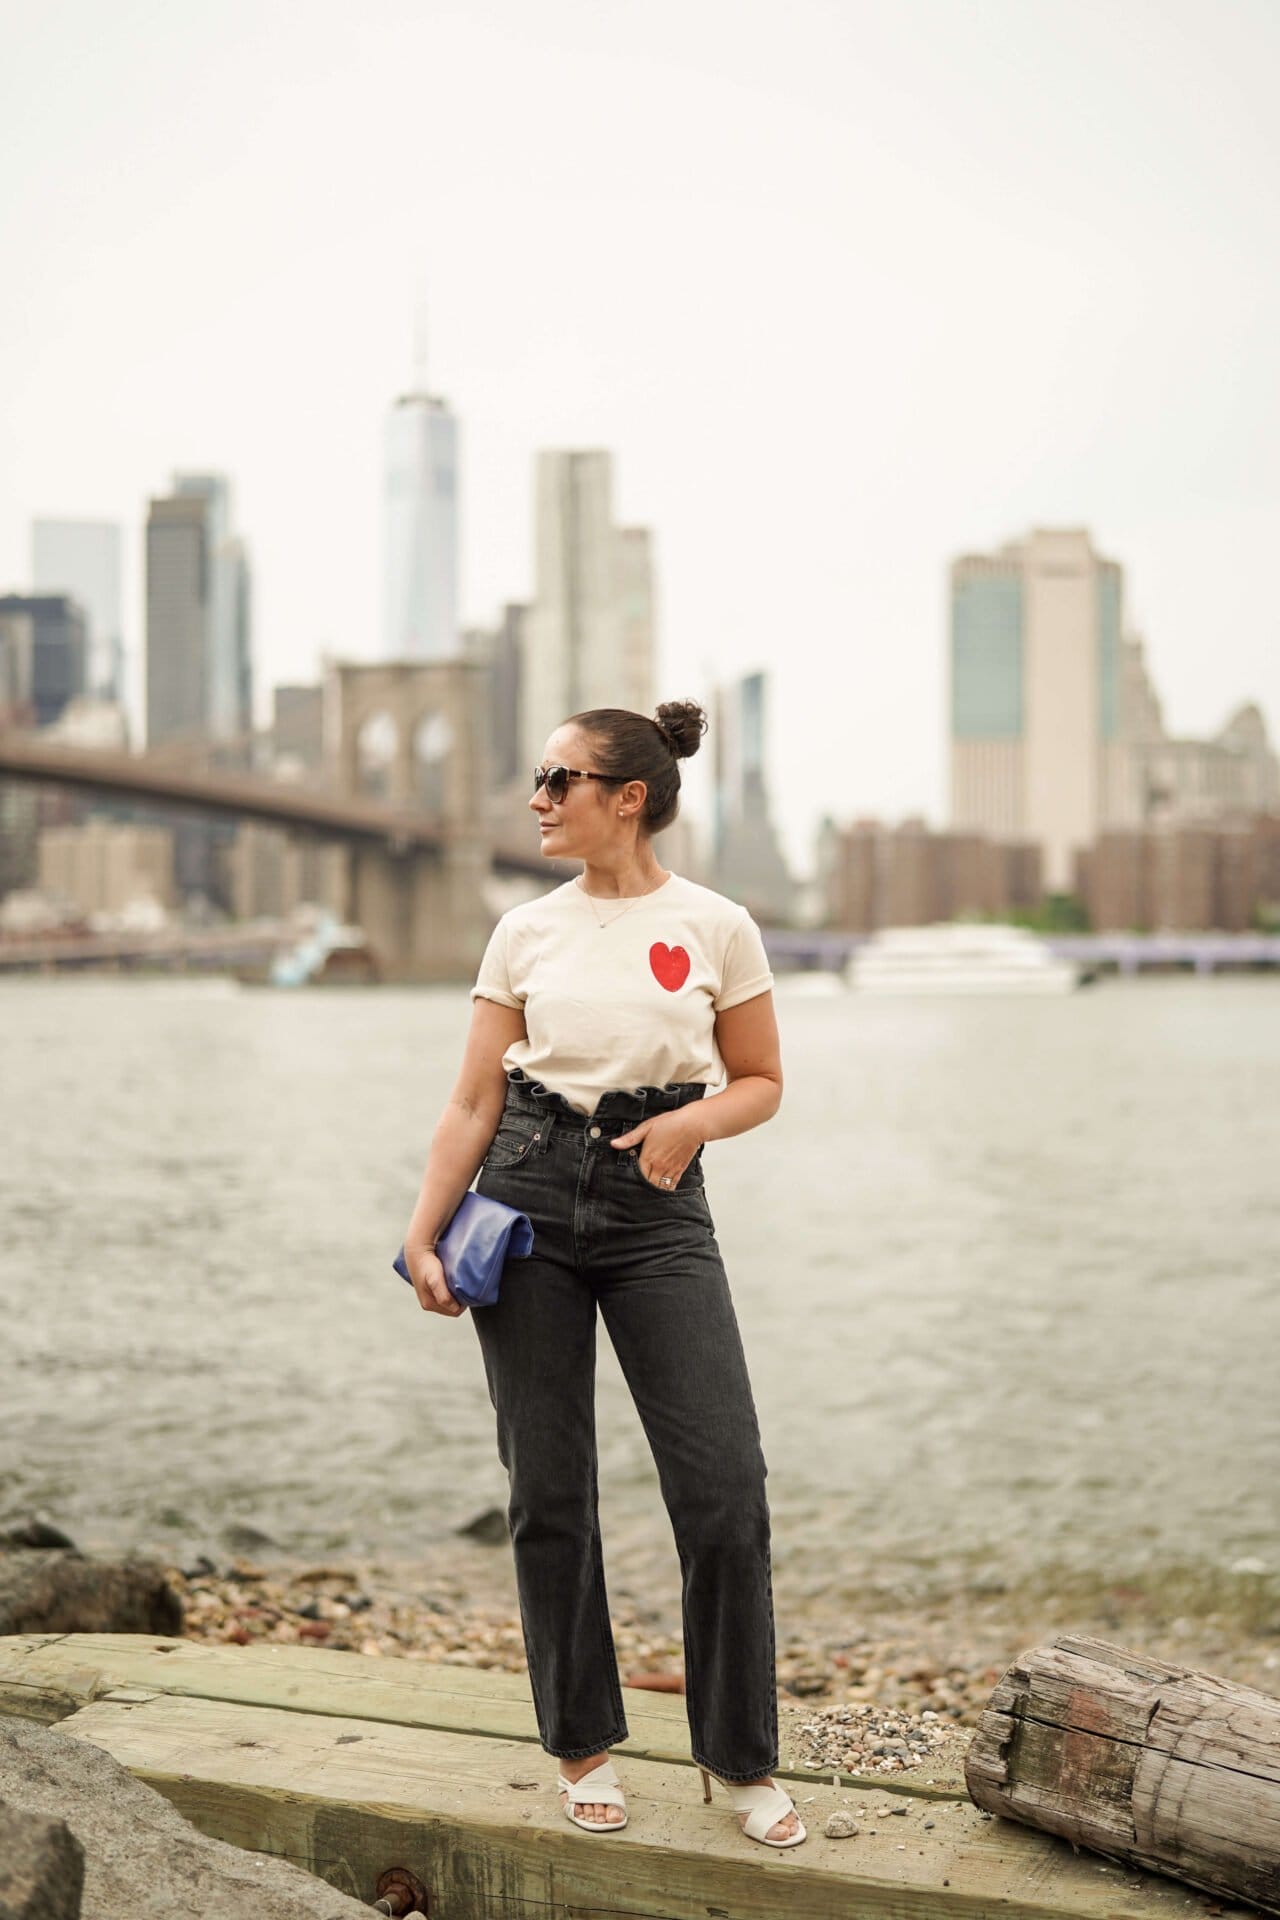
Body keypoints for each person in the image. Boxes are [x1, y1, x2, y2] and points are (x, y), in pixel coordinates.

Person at [401, 699, 805, 1850]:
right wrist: (423, 1234)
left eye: (557, 778)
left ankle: (738, 1758)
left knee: (725, 1489)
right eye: (537, 777)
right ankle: (581, 1743)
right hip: (525, 1193)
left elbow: (762, 1077)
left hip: (656, 1203)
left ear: (626, 796)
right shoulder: (521, 932)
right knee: (548, 1489)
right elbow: (474, 1098)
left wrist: (693, 1129)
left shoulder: (718, 924)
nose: (536, 797)